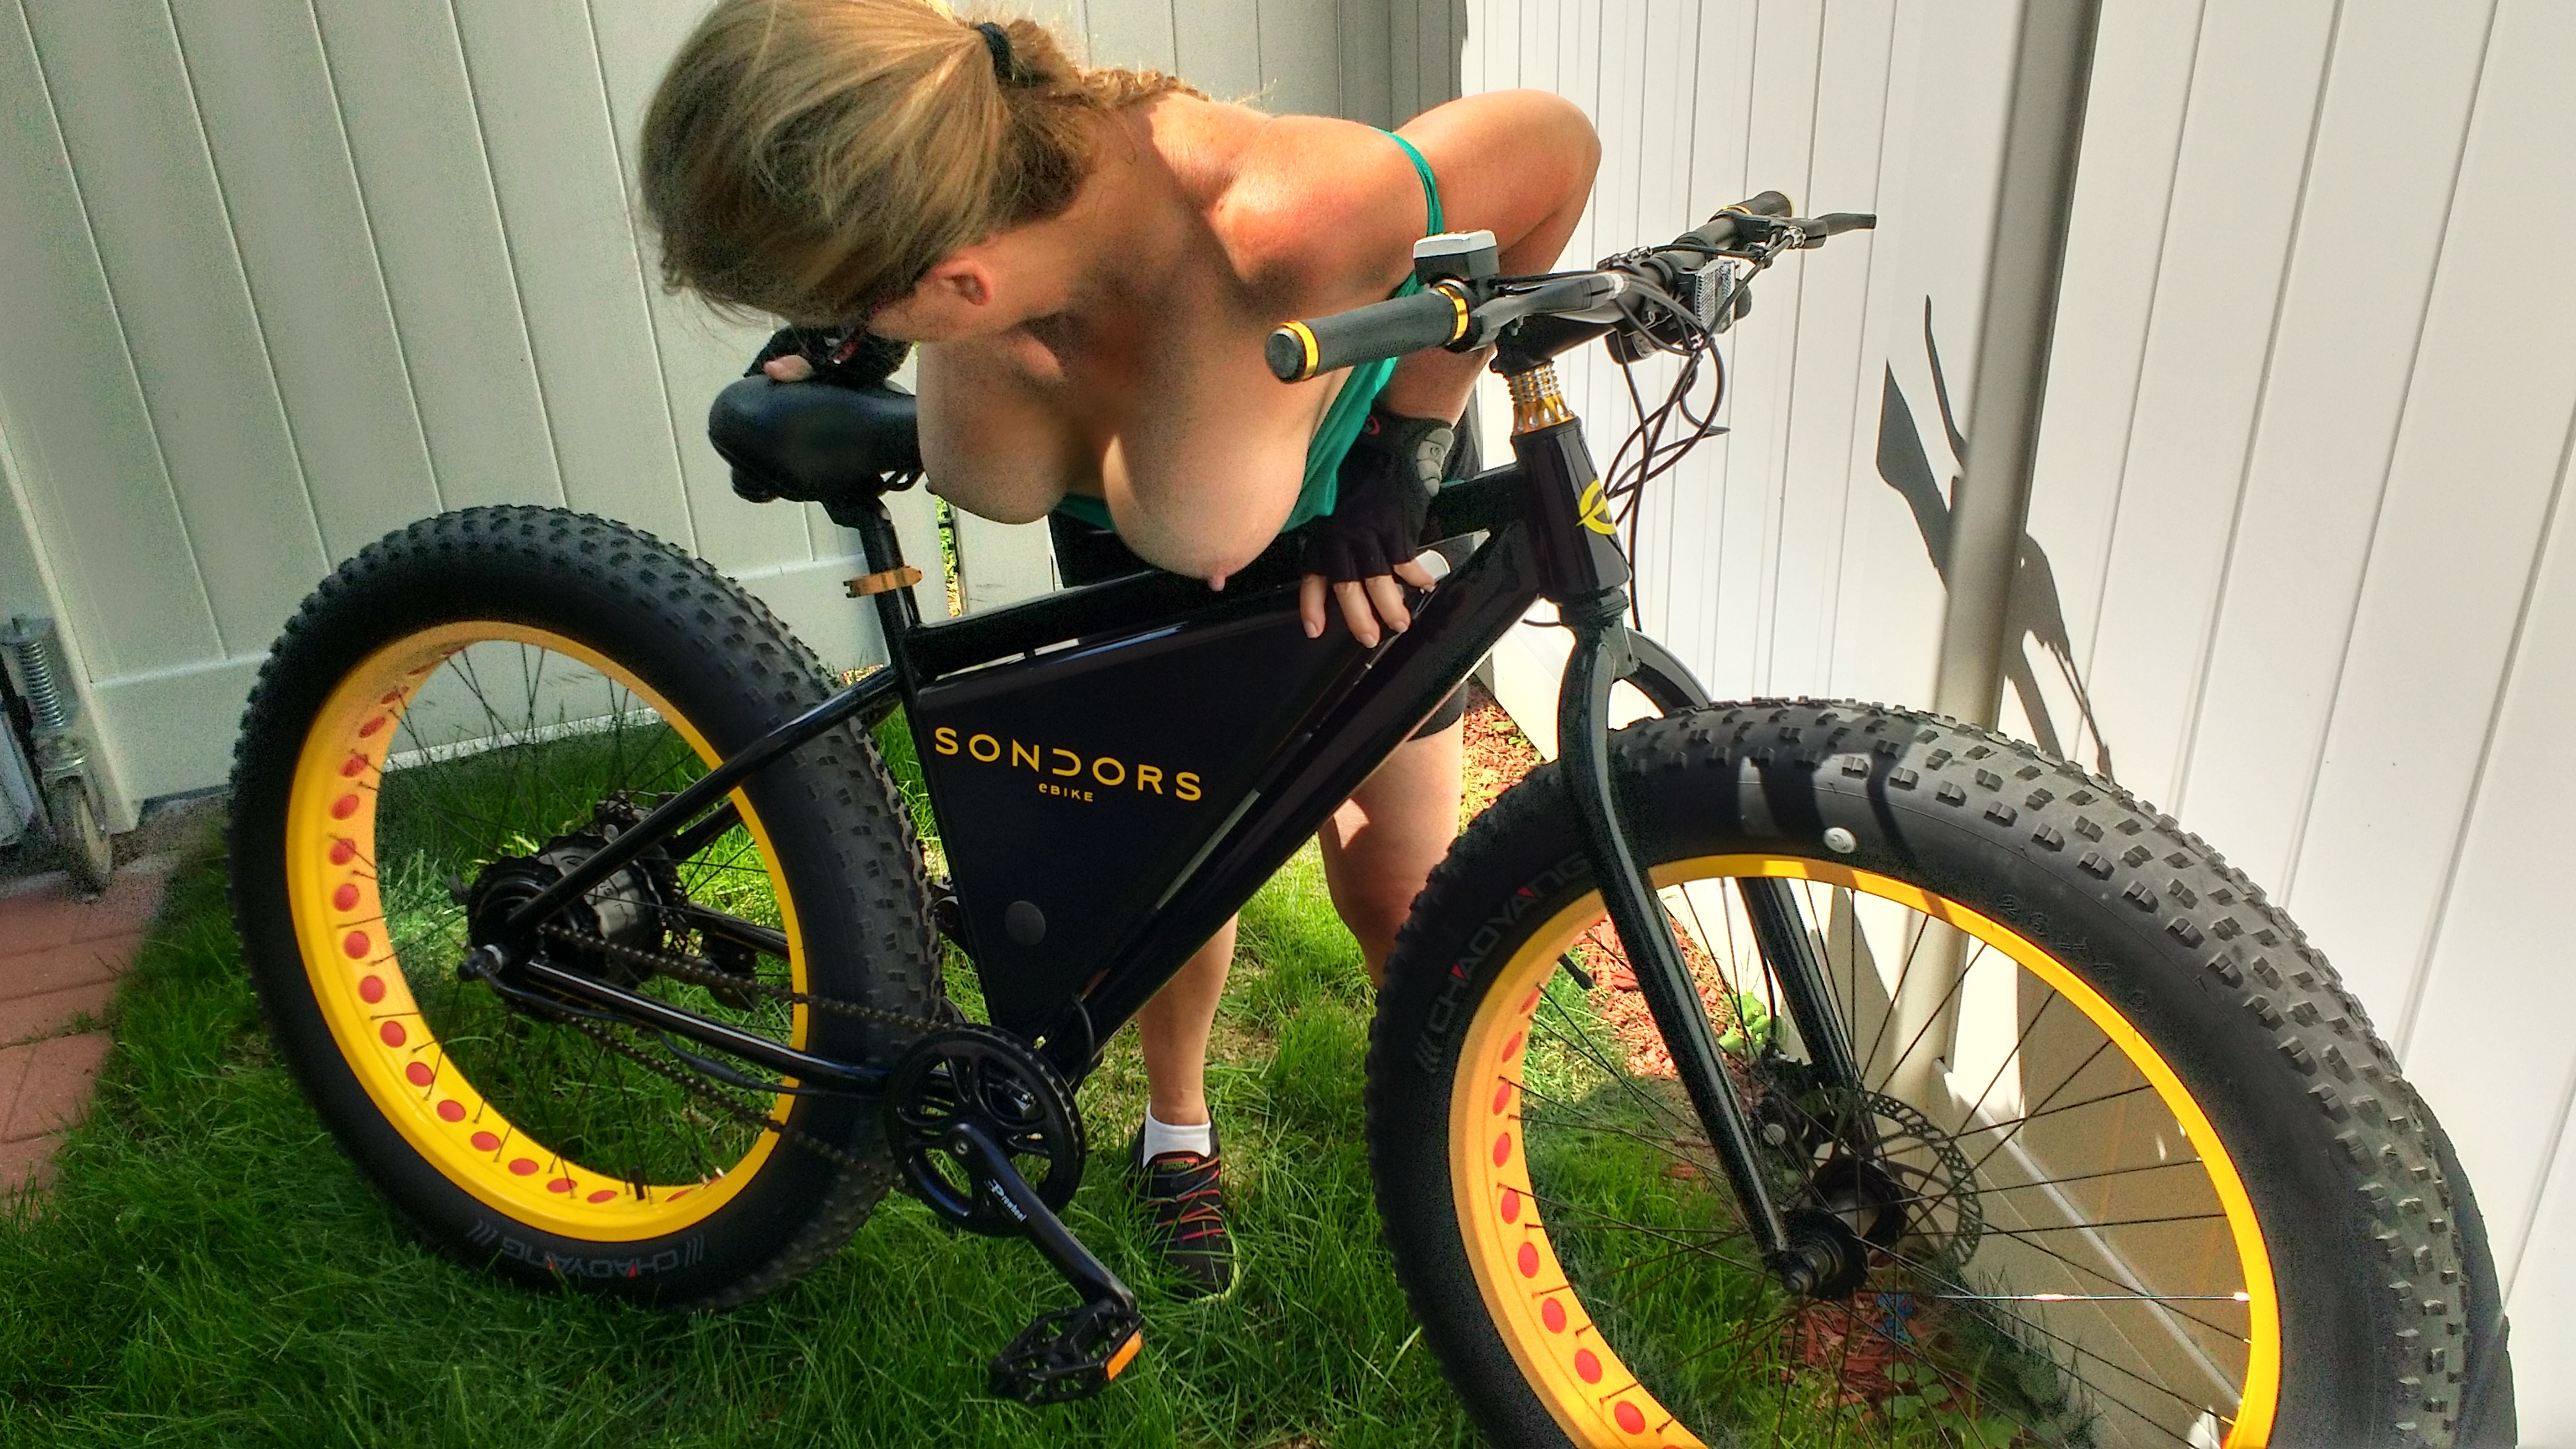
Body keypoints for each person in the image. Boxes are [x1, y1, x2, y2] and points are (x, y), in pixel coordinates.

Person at [640, 0, 1597, 1297]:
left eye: (856, 305)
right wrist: (849, 332)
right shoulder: (978, 200)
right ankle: (1175, 1129)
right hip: (1136, 536)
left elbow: (1552, 152)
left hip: (1355, 535)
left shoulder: (1293, 216)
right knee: (1164, 883)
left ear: (958, 285)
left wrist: (1405, 450)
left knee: (1395, 890)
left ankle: (1462, 1154)